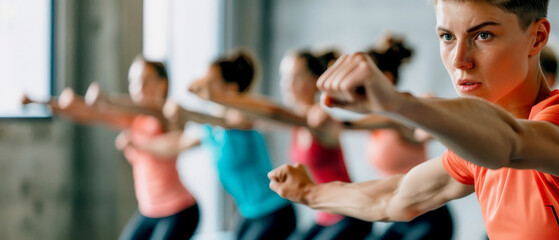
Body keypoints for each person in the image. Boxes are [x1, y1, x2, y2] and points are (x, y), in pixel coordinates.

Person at [268, 1, 559, 239]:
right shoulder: (475, 151)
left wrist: (398, 104)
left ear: (537, 37)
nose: (459, 60)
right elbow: (395, 197)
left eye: (483, 36)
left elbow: (511, 144)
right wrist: (309, 194)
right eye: (447, 37)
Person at [195, 49, 373, 240]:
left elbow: (272, 112)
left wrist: (220, 96)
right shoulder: (295, 122)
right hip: (324, 217)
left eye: (296, 77)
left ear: (315, 81)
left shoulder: (320, 120)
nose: (288, 85)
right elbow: (254, 116)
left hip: (350, 214)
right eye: (285, 77)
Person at [24, 57, 199, 240]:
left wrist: (138, 144)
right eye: (134, 82)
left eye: (145, 81)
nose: (138, 88)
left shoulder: (169, 116)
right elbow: (92, 114)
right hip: (149, 209)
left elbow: (175, 144)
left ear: (163, 84)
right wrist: (44, 102)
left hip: (179, 210)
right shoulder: (134, 119)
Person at [131, 50, 298, 240]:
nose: (204, 86)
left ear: (231, 89)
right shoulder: (210, 128)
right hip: (248, 213)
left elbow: (228, 120)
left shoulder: (242, 118)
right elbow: (176, 144)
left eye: (211, 82)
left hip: (274, 212)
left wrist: (189, 114)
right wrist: (140, 145)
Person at [356, 33, 454, 240]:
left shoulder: (402, 117)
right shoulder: (373, 121)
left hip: (430, 218)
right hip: (401, 218)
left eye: (361, 82)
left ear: (387, 79)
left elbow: (399, 123)